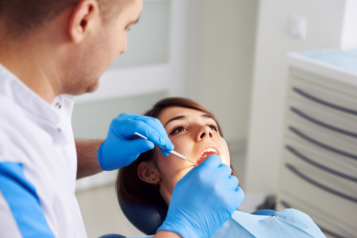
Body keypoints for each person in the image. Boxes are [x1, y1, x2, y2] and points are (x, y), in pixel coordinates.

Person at [0, 1, 244, 238]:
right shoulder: (6, 174)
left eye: (212, 125)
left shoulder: (23, 112)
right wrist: (186, 228)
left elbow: (37, 158)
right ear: (83, 19)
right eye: (126, 27)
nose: (123, 46)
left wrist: (98, 153)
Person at [118, 97, 326, 238]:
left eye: (212, 127)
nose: (205, 132)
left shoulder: (295, 224)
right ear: (149, 172)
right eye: (179, 128)